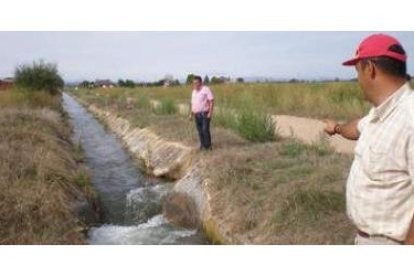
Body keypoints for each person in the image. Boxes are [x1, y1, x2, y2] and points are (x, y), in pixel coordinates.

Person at [324, 33, 414, 245]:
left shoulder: (410, 118)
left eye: (358, 71)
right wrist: (336, 128)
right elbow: (356, 128)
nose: (358, 79)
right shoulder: (379, 113)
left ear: (369, 68)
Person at [189, 75, 214, 150]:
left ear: (200, 82)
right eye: (194, 83)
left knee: (205, 129)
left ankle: (208, 146)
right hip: (196, 115)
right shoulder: (193, 92)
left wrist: (210, 112)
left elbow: (211, 101)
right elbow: (192, 104)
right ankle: (202, 145)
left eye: (197, 83)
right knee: (200, 131)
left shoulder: (206, 89)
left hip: (204, 114)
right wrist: (191, 114)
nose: (195, 85)